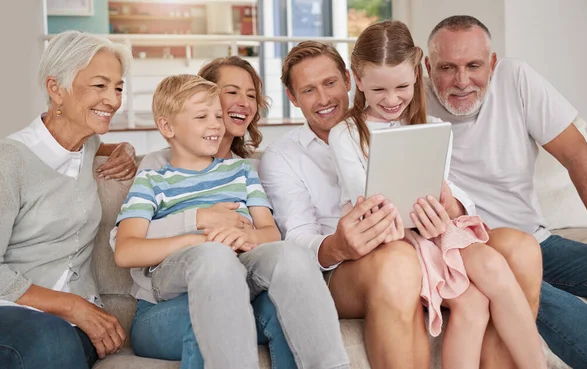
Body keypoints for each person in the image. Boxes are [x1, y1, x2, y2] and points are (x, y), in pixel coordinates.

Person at [328, 20, 546, 369]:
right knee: (475, 297)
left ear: (416, 75)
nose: (392, 99)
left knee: (489, 271)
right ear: (358, 80)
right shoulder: (347, 134)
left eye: (402, 86)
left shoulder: (430, 127)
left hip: (433, 231)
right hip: (391, 240)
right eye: (379, 89)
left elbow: (443, 189)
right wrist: (417, 216)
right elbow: (365, 202)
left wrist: (446, 209)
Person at [114, 74, 350, 369]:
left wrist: (251, 238)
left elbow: (270, 233)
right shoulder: (152, 180)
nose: (215, 124)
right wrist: (199, 239)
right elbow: (125, 251)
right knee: (214, 258)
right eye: (201, 116)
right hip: (170, 291)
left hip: (240, 277)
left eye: (216, 115)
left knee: (290, 255)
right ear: (167, 126)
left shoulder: (241, 172)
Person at [424, 15, 587, 369]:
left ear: (492, 63)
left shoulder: (517, 79)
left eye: (474, 65)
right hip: (472, 254)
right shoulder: (405, 98)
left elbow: (580, 160)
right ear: (428, 67)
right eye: (446, 68)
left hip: (537, 242)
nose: (461, 81)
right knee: (568, 320)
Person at [259, 40, 428, 369]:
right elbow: (295, 238)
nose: (323, 99)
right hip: (335, 275)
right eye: (308, 90)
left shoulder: (391, 124)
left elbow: (450, 189)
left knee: (404, 259)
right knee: (396, 260)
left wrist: (449, 208)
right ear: (292, 98)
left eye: (330, 83)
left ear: (350, 81)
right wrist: (337, 246)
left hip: (405, 251)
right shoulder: (282, 156)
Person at [0, 31, 136, 369]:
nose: (113, 100)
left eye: (118, 88)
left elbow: (92, 149)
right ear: (55, 88)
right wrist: (70, 305)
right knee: (50, 341)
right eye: (99, 85)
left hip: (73, 326)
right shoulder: (10, 161)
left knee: (58, 339)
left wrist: (125, 149)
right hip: (12, 314)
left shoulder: (84, 144)